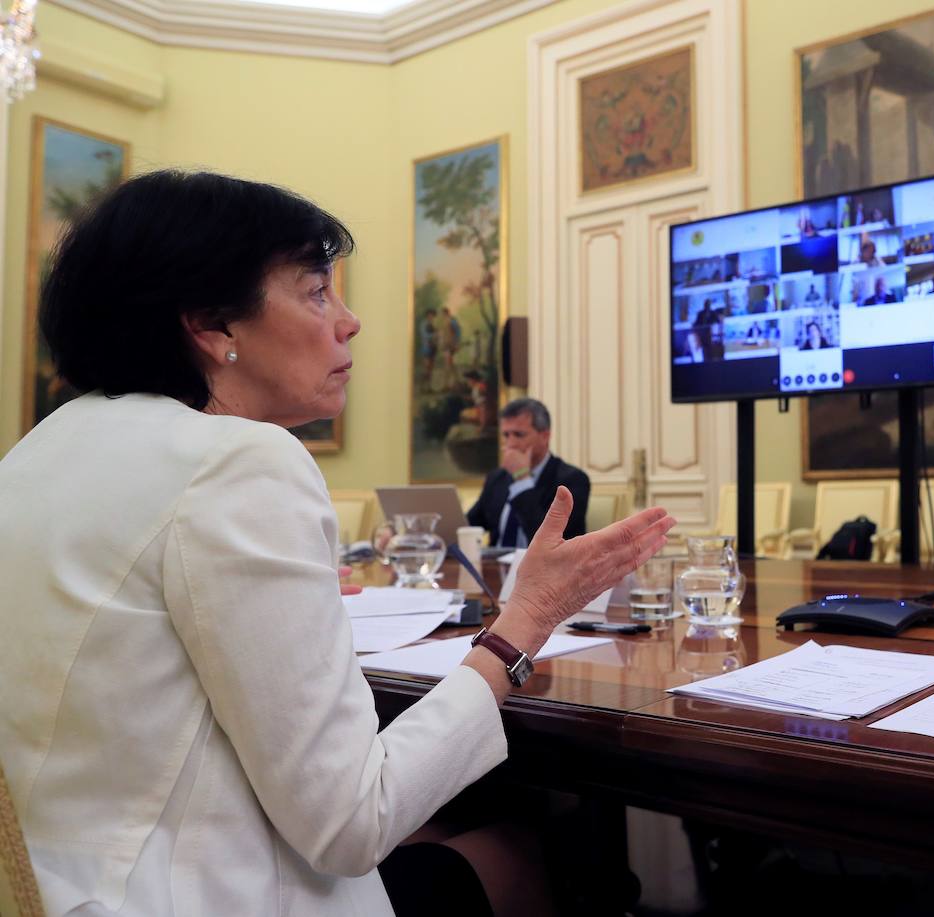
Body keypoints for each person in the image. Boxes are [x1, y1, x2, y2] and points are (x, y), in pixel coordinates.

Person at [0, 170, 676, 917]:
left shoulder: (37, 453)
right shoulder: (238, 462)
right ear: (215, 325)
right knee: (522, 841)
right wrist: (524, 621)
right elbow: (354, 819)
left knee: (454, 815)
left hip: (59, 884)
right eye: (318, 291)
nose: (349, 321)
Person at [467, 398, 592, 549]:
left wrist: (521, 479)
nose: (511, 444)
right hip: (496, 568)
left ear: (544, 436)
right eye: (506, 435)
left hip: (544, 570)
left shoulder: (573, 480)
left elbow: (549, 541)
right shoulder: (497, 478)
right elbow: (470, 525)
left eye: (519, 435)